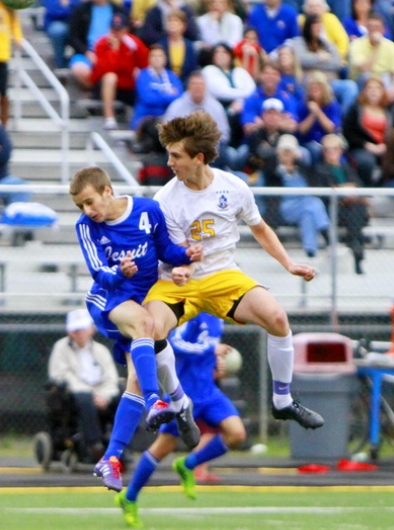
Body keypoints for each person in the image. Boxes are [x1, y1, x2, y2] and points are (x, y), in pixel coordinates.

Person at [145, 111, 325, 449]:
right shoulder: (166, 198)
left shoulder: (233, 187)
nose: (169, 162)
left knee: (277, 318)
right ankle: (178, 401)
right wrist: (181, 264)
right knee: (151, 331)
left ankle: (283, 400)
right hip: (179, 280)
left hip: (224, 276)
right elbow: (172, 249)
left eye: (176, 155)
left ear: (198, 158)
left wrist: (288, 263)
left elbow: (259, 228)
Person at [69, 166, 203, 492]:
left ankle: (111, 458)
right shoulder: (87, 226)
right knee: (147, 326)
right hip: (110, 299)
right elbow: (99, 272)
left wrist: (186, 254)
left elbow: (166, 251)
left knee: (138, 374)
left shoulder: (147, 210)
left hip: (146, 298)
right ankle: (162, 402)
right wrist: (119, 272)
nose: (88, 211)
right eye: (81, 206)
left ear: (107, 190)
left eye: (89, 202)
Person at [117, 313, 246, 528]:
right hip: (182, 395)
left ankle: (188, 464)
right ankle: (128, 497)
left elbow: (206, 348)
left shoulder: (217, 316)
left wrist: (217, 364)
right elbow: (173, 345)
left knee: (237, 434)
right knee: (162, 448)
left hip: (209, 392)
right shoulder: (187, 311)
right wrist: (209, 351)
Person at [47, 308, 120, 464]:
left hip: (102, 393)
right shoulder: (61, 348)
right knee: (84, 399)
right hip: (74, 396)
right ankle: (94, 444)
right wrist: (91, 395)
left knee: (123, 396)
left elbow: (110, 377)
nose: (78, 333)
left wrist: (105, 397)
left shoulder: (101, 351)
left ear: (91, 330)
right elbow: (61, 375)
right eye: (75, 330)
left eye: (82, 329)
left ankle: (120, 444)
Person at [263, 134, 331, 257]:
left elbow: (314, 184)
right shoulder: (272, 168)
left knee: (308, 214)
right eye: (285, 151)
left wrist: (295, 167)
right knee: (314, 204)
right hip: (284, 207)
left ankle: (310, 252)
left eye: (290, 151)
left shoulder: (302, 167)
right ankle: (329, 237)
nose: (287, 154)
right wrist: (284, 168)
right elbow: (270, 177)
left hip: (304, 205)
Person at [314, 133, 369, 274]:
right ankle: (357, 249)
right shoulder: (319, 169)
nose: (330, 153)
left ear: (340, 151)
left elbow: (359, 186)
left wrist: (344, 189)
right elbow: (322, 193)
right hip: (333, 209)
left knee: (356, 209)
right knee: (354, 212)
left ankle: (355, 246)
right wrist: (343, 190)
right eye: (327, 149)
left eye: (334, 149)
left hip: (352, 207)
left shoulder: (347, 168)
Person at [89, 13, 148, 131]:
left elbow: (145, 64)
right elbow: (105, 69)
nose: (115, 32)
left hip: (127, 83)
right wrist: (114, 51)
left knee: (141, 76)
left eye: (119, 29)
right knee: (110, 77)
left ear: (126, 29)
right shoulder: (102, 43)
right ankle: (109, 118)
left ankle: (142, 120)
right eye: (113, 29)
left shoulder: (134, 43)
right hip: (104, 84)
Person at [131, 44, 182, 130]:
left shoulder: (172, 76)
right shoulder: (142, 76)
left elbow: (179, 97)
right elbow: (148, 99)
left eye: (160, 56)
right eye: (153, 56)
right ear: (149, 59)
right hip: (145, 119)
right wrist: (168, 94)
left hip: (168, 118)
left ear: (165, 59)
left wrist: (157, 94)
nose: (157, 59)